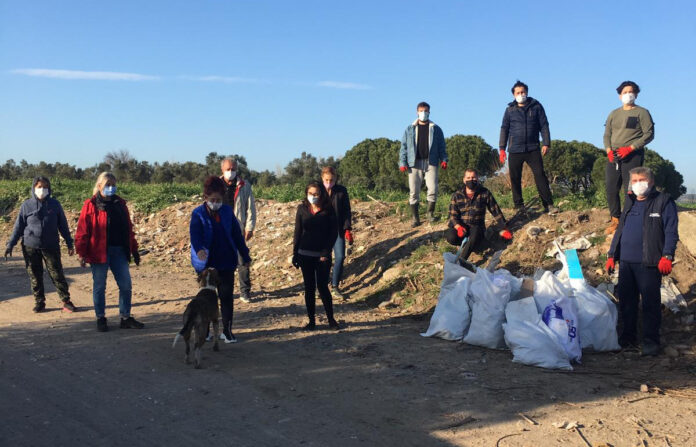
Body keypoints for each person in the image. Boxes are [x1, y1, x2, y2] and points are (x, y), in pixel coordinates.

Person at [606, 167, 677, 356]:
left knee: (650, 304)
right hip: (626, 263)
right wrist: (612, 255)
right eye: (635, 181)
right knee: (627, 303)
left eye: (642, 180)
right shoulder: (629, 202)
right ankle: (628, 339)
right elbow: (620, 230)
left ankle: (650, 342)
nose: (638, 184)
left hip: (649, 263)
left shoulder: (663, 202)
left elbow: (671, 231)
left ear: (651, 181)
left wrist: (667, 255)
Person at [75, 172, 144, 332]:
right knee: (100, 286)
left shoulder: (120, 204)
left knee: (125, 285)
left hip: (119, 250)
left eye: (113, 184)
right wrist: (81, 253)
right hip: (99, 252)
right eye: (107, 185)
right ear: (99, 186)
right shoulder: (90, 205)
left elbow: (128, 229)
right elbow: (82, 231)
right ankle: (100, 318)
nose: (111, 188)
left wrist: (134, 249)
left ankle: (125, 317)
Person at [190, 176, 251, 343]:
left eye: (219, 200)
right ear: (205, 198)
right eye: (212, 200)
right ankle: (205, 331)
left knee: (226, 297)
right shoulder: (198, 213)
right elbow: (195, 235)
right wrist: (199, 250)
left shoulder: (227, 212)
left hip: (226, 261)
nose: (216, 203)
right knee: (206, 298)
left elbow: (237, 235)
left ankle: (227, 331)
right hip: (206, 263)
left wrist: (245, 255)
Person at [5, 176, 78, 313]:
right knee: (35, 275)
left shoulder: (55, 205)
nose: (42, 190)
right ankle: (39, 302)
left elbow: (63, 225)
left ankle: (66, 301)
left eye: (45, 187)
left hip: (51, 246)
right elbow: (18, 227)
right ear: (34, 188)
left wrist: (69, 243)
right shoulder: (26, 205)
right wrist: (10, 244)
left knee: (57, 274)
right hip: (30, 246)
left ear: (49, 189)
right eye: (39, 187)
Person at [498, 80, 557, 216]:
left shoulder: (536, 107)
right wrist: (501, 148)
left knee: (540, 175)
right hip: (515, 149)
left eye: (523, 92)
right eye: (518, 93)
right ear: (514, 95)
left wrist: (546, 143)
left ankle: (548, 204)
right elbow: (504, 128)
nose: (521, 94)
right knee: (515, 178)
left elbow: (544, 125)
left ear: (527, 92)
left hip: (533, 148)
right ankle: (519, 206)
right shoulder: (509, 110)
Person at [603, 80, 655, 234]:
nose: (628, 95)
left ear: (636, 94)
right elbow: (607, 134)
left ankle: (629, 219)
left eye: (631, 92)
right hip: (614, 155)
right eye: (624, 92)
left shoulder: (642, 112)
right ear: (620, 96)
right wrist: (608, 150)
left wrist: (631, 148)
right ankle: (615, 219)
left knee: (630, 189)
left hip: (632, 155)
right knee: (611, 187)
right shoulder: (613, 113)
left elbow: (649, 134)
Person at [291, 181, 339, 330]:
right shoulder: (302, 209)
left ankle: (331, 320)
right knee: (309, 288)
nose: (313, 196)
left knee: (323, 286)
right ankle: (311, 321)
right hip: (304, 254)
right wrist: (295, 253)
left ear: (321, 194)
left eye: (316, 194)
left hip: (322, 256)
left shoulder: (329, 210)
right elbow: (298, 232)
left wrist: (326, 251)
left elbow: (333, 233)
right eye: (310, 193)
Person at [444, 169, 513, 264]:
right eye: (468, 178)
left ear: (477, 178)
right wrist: (458, 227)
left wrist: (504, 227)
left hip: (476, 227)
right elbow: (453, 216)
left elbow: (495, 210)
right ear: (464, 180)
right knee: (450, 236)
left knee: (475, 234)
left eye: (473, 178)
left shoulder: (485, 193)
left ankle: (462, 260)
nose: (471, 180)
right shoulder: (457, 195)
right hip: (461, 227)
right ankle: (469, 244)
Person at [399, 101, 448, 227]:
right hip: (414, 163)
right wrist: (402, 162)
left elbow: (442, 146)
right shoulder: (409, 129)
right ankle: (415, 218)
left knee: (433, 189)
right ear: (417, 112)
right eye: (421, 111)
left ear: (429, 112)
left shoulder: (436, 129)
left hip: (431, 162)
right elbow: (403, 147)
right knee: (414, 191)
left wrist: (444, 159)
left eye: (426, 111)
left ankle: (430, 214)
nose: (423, 113)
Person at [220, 158, 256, 303]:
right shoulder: (216, 185)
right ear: (222, 170)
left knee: (243, 261)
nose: (231, 172)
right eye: (228, 169)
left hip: (238, 228)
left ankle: (245, 292)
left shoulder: (244, 185)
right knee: (221, 262)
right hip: (220, 229)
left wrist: (250, 227)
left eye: (233, 169)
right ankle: (222, 291)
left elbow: (250, 208)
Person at [321, 166, 353, 300]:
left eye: (331, 180)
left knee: (340, 257)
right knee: (323, 259)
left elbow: (346, 211)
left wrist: (347, 228)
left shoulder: (341, 191)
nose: (329, 183)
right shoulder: (318, 191)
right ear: (322, 179)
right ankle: (320, 287)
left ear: (335, 179)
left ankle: (335, 287)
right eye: (326, 180)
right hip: (321, 231)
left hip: (338, 230)